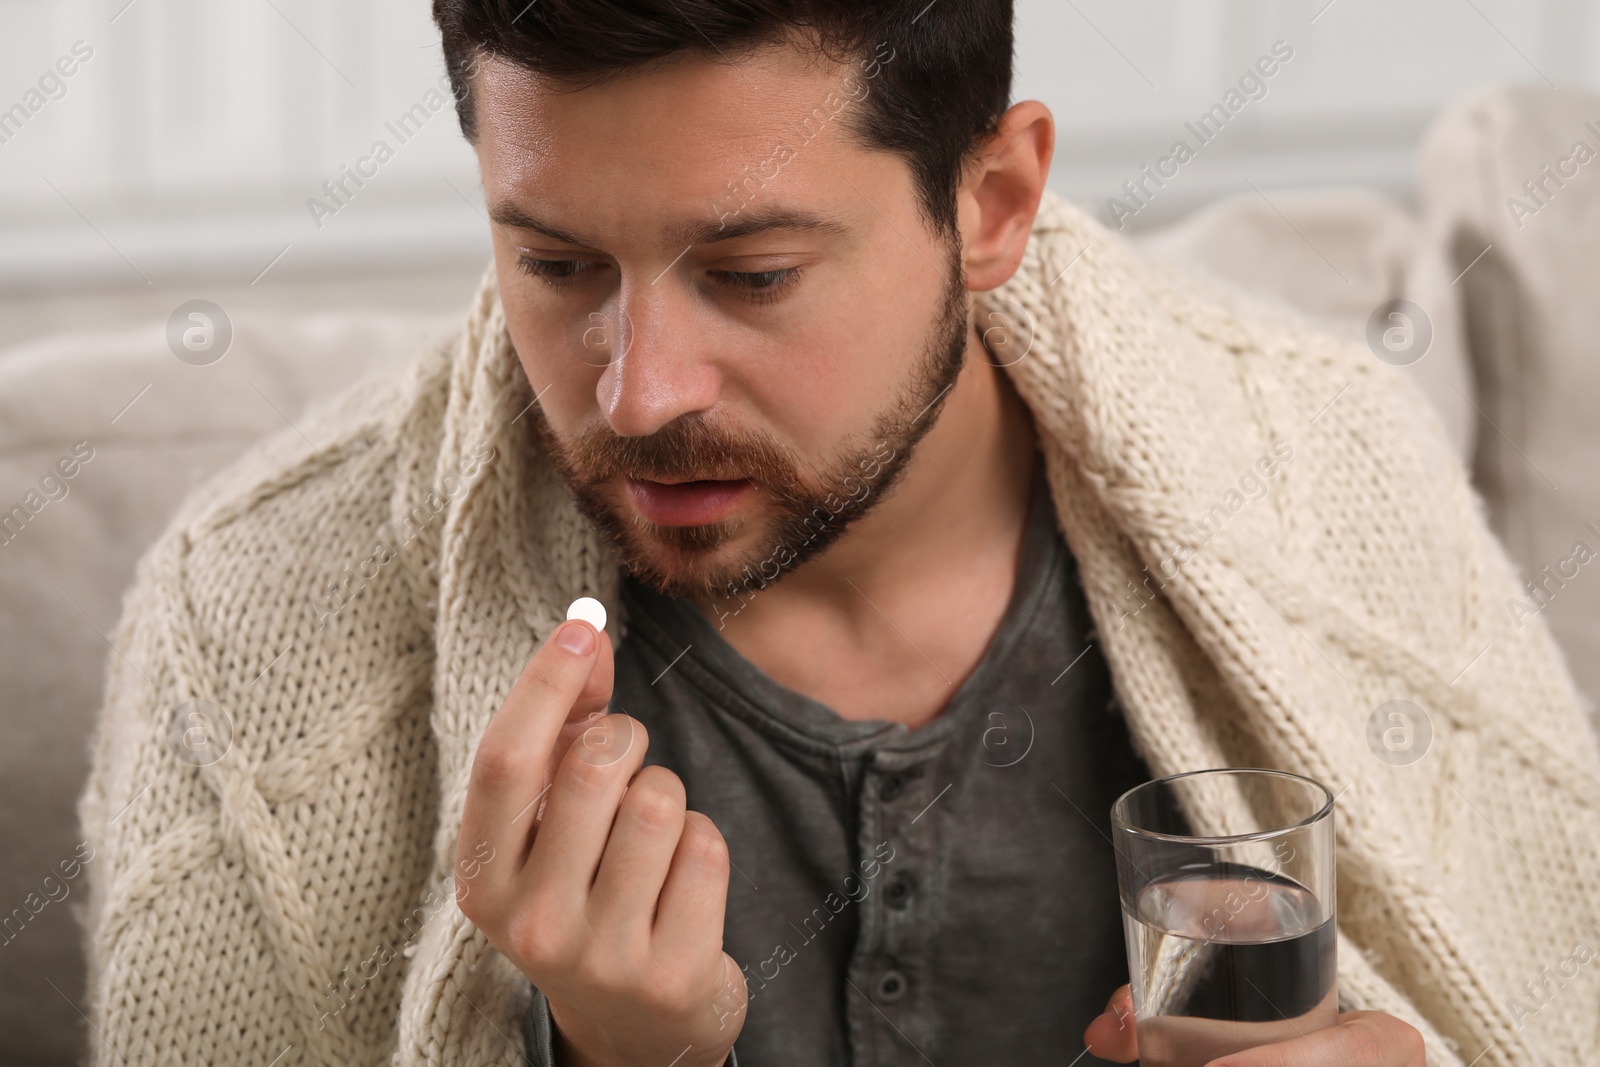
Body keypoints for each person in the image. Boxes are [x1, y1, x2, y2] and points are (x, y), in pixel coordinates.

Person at [77, 2, 1600, 1065]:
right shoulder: (253, 616)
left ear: (992, 199)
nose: (639, 391)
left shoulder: (1334, 474)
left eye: (750, 274)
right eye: (553, 263)